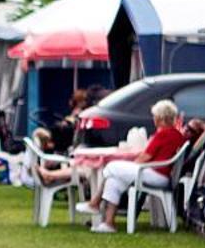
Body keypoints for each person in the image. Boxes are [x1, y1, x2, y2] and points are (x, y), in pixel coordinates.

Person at [83, 100, 195, 234]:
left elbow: (144, 158)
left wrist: (130, 168)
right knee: (113, 180)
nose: (153, 119)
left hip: (156, 174)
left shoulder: (163, 134)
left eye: (155, 116)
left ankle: (95, 203)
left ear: (161, 118)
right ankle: (108, 223)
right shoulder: (177, 134)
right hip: (160, 173)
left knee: (111, 167)